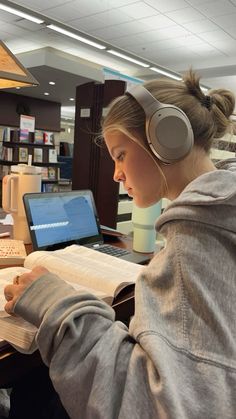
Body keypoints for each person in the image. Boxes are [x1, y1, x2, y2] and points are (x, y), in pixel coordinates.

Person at [4, 69, 236, 418]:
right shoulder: (216, 225)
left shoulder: (195, 244)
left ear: (166, 137)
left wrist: (56, 303)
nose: (116, 173)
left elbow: (155, 406)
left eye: (121, 154)